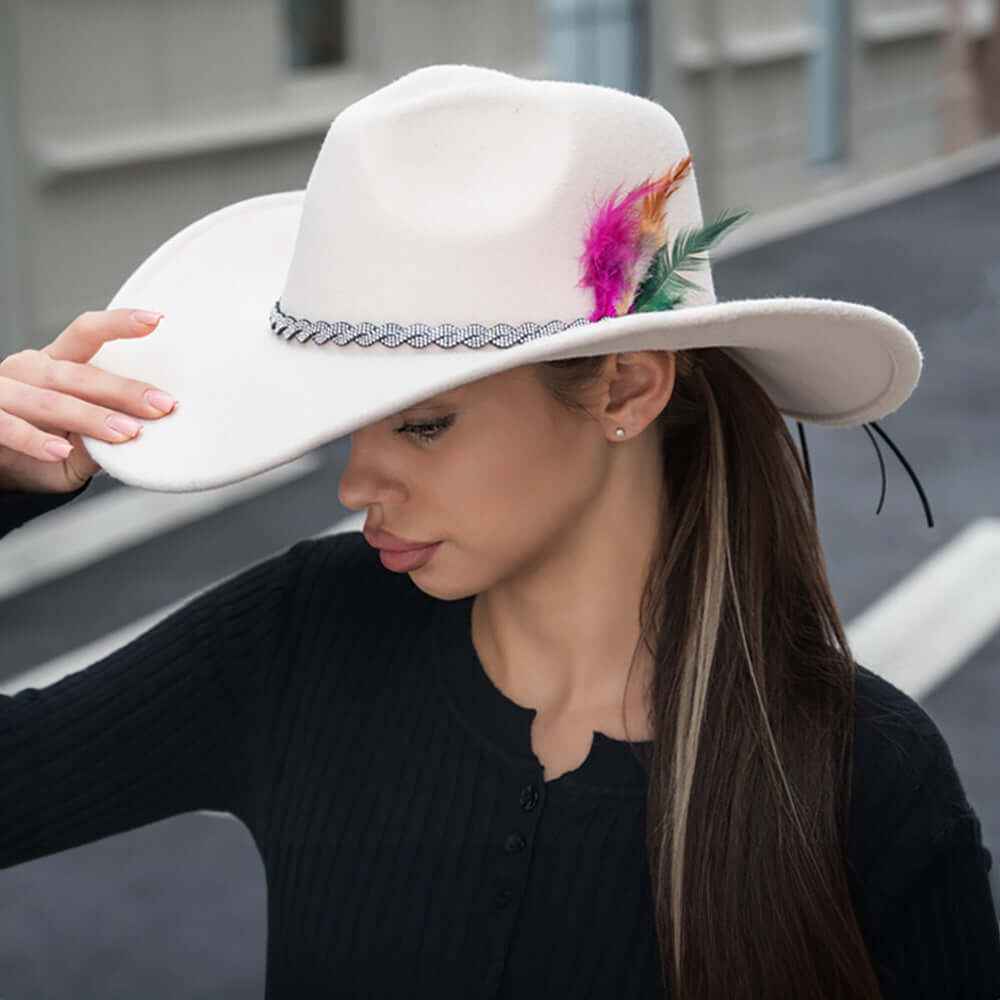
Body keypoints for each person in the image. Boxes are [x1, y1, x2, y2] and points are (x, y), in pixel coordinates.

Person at [3, 64, 1000, 998]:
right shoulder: (301, 634)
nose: (356, 482)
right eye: (348, 420)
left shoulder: (862, 769)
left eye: (424, 422)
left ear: (624, 386)